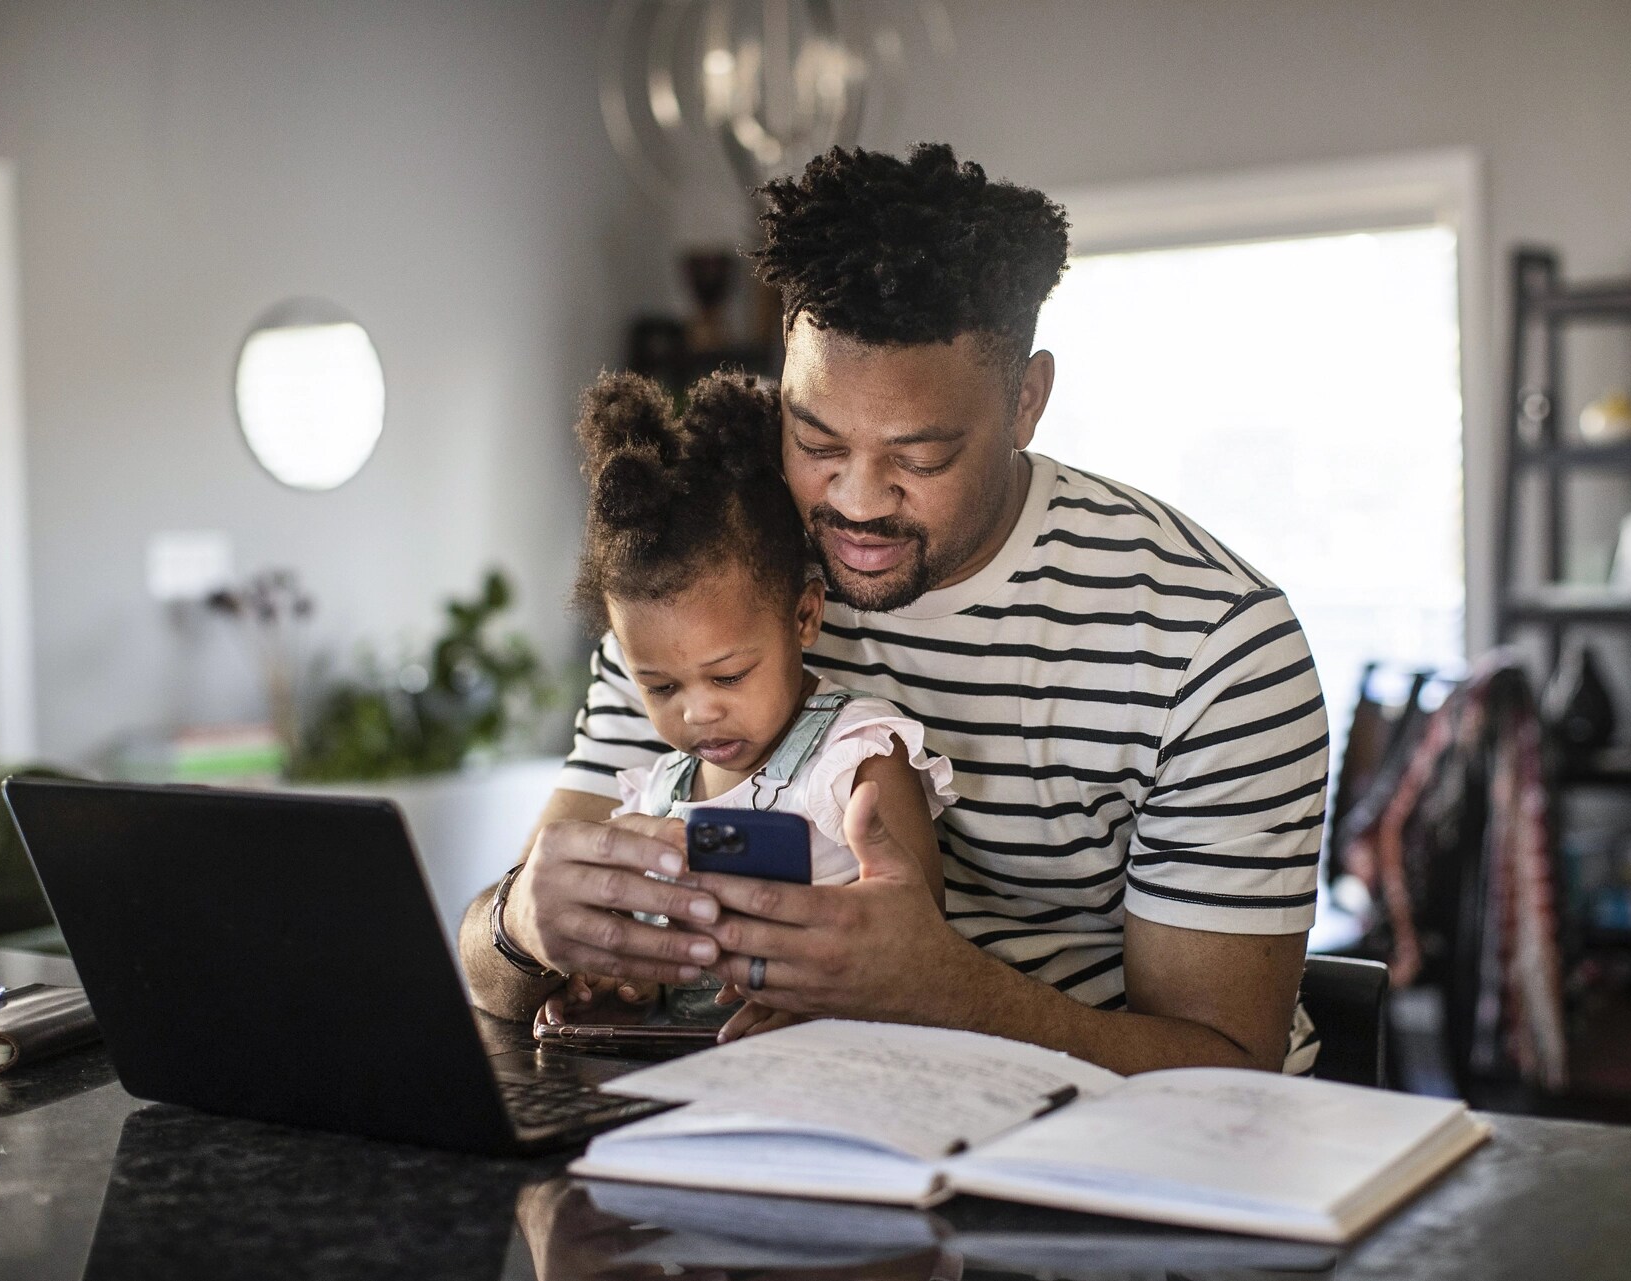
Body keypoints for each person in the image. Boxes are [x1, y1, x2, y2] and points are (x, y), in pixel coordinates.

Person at [461, 143, 1330, 1076]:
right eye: (815, 438)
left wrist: (940, 991)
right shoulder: (711, 586)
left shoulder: (1212, 644)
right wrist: (523, 923)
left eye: (920, 458)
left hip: (1095, 1157)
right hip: (779, 1116)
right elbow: (490, 974)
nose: (859, 502)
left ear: (1027, 399)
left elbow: (1228, 1076)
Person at [542, 369, 953, 1041]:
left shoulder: (857, 760)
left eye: (727, 676)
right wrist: (618, 985)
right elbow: (647, 959)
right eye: (662, 687)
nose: (697, 713)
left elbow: (917, 951)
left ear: (804, 616)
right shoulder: (655, 797)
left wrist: (823, 999)